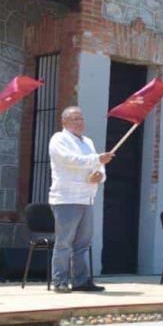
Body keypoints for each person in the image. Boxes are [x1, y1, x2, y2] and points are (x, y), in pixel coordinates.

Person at [48, 106, 114, 293]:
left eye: (81, 118)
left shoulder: (88, 142)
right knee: (64, 242)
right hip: (66, 198)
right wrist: (97, 159)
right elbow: (70, 160)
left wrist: (100, 175)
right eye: (75, 118)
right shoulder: (58, 139)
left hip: (87, 197)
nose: (80, 122)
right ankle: (59, 280)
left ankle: (81, 280)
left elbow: (99, 167)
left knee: (83, 243)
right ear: (64, 122)